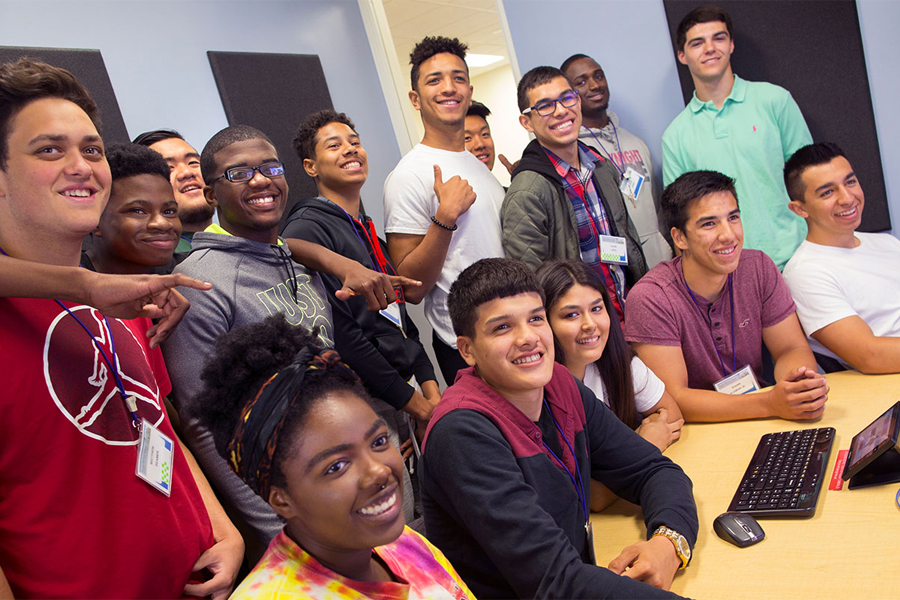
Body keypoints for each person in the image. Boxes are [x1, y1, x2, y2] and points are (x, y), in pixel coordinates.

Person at [0, 57, 242, 599]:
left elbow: (156, 428)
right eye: (48, 150)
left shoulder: (114, 303)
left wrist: (222, 531)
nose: (82, 165)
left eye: (89, 149)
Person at [164, 124, 418, 552]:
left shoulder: (297, 260)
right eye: (238, 173)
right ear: (211, 196)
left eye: (269, 167)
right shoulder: (201, 284)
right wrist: (275, 525)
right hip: (296, 508)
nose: (261, 179)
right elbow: (203, 426)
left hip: (358, 476)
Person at [421, 257, 698, 599]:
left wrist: (668, 543)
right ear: (467, 350)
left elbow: (654, 470)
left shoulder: (559, 385)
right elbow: (556, 583)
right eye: (502, 327)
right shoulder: (462, 432)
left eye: (536, 318)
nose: (528, 338)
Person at [193, 316, 474, 600]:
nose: (378, 471)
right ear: (281, 499)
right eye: (337, 466)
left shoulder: (404, 543)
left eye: (378, 441)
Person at [625, 170, 829, 423]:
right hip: (697, 431)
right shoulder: (651, 298)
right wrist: (770, 403)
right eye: (709, 224)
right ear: (679, 238)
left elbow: (791, 348)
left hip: (762, 414)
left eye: (733, 218)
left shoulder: (758, 268)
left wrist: (795, 384)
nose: (728, 235)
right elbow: (673, 399)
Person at [283, 109, 440, 427]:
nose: (350, 149)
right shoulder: (307, 230)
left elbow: (402, 322)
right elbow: (343, 336)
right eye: (334, 145)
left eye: (354, 141)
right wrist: (421, 409)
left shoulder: (366, 230)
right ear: (310, 166)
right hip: (363, 403)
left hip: (401, 397)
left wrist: (430, 389)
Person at [383, 36, 506, 385]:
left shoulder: (479, 167)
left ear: (469, 90)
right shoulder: (408, 175)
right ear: (415, 98)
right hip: (468, 346)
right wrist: (445, 218)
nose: (449, 88)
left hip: (512, 329)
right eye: (434, 80)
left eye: (458, 78)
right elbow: (410, 288)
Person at [661, 4, 812, 270]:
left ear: (731, 45)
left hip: (797, 257)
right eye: (697, 43)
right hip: (728, 270)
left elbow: (811, 180)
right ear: (682, 55)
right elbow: (681, 217)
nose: (710, 48)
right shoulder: (675, 136)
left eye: (718, 38)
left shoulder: (775, 101)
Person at [536, 259, 683, 510]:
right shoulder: (538, 391)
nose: (589, 325)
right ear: (543, 323)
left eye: (596, 309)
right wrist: (646, 446)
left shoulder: (617, 361)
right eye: (571, 314)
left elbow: (671, 415)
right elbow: (594, 497)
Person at [502, 66, 646, 323]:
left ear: (577, 101)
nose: (560, 111)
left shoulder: (600, 165)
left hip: (626, 311)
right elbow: (532, 285)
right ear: (527, 122)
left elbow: (624, 237)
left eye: (567, 98)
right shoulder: (527, 192)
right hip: (580, 329)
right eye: (545, 106)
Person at [783, 142, 900, 373]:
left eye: (850, 182)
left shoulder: (887, 243)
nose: (847, 198)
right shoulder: (805, 272)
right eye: (827, 192)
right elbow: (870, 356)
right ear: (800, 209)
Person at [561, 54, 673, 268]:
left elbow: (658, 206)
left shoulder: (635, 143)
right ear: (568, 96)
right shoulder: (573, 152)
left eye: (599, 76)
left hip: (661, 262)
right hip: (617, 269)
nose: (595, 85)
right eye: (581, 82)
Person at [82, 142, 180, 275]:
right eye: (138, 211)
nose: (163, 223)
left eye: (168, 211)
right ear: (95, 220)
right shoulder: (57, 287)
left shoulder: (189, 275)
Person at [134, 128, 214, 255]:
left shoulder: (243, 239)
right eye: (168, 167)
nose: (187, 172)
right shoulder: (157, 259)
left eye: (193, 162)